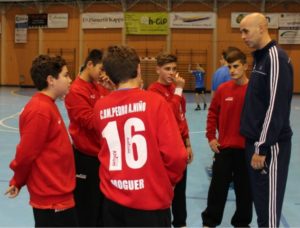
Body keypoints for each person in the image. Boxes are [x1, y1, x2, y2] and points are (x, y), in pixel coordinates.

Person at [93, 45, 188, 227]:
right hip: (150, 203)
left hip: (113, 200)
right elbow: (177, 156)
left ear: (110, 75)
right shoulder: (155, 102)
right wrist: (168, 181)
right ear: (138, 68)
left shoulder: (100, 106)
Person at [5, 55, 78, 227]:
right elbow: (26, 154)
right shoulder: (39, 110)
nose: (70, 79)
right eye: (66, 75)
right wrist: (18, 180)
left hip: (59, 194)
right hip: (52, 199)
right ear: (51, 80)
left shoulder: (48, 104)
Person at [240, 13, 293, 227]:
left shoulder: (275, 57)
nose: (242, 36)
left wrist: (261, 147)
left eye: (246, 30)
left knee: (268, 213)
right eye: (240, 31)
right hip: (255, 143)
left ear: (262, 28)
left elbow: (276, 106)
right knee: (262, 207)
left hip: (268, 147)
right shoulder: (259, 57)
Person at [201, 48, 252, 227]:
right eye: (229, 66)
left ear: (245, 66)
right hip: (223, 148)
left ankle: (242, 222)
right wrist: (210, 137)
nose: (232, 70)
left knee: (244, 190)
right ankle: (210, 221)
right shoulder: (223, 90)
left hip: (246, 150)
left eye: (236, 66)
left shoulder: (253, 90)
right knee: (217, 188)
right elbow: (212, 113)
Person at [64, 49, 113, 226]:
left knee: (104, 207)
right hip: (86, 159)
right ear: (90, 64)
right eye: (101, 69)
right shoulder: (75, 91)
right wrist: (111, 110)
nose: (103, 74)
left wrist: (113, 90)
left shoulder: (100, 85)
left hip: (104, 157)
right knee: (87, 210)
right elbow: (92, 122)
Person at [148, 53, 193, 227]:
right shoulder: (153, 91)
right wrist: (179, 90)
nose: (172, 73)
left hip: (179, 145)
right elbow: (168, 114)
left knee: (181, 189)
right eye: (167, 69)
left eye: (174, 69)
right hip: (164, 148)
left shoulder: (175, 89)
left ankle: (180, 223)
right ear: (157, 69)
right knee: (165, 190)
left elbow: (181, 117)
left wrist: (187, 143)